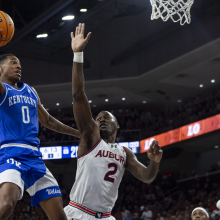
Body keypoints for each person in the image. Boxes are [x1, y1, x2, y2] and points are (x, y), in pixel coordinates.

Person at [63, 23, 163, 220]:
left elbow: (147, 176)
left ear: (117, 125)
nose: (100, 118)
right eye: (98, 117)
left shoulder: (124, 153)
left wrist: (154, 162)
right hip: (79, 213)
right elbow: (78, 95)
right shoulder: (91, 137)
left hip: (106, 216)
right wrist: (78, 56)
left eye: (107, 117)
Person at [0, 31, 80, 220]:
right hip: (10, 153)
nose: (18, 66)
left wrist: (80, 133)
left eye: (19, 63)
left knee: (59, 217)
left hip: (35, 157)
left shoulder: (30, 90)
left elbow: (49, 121)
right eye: (13, 62)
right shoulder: (2, 89)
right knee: (6, 204)